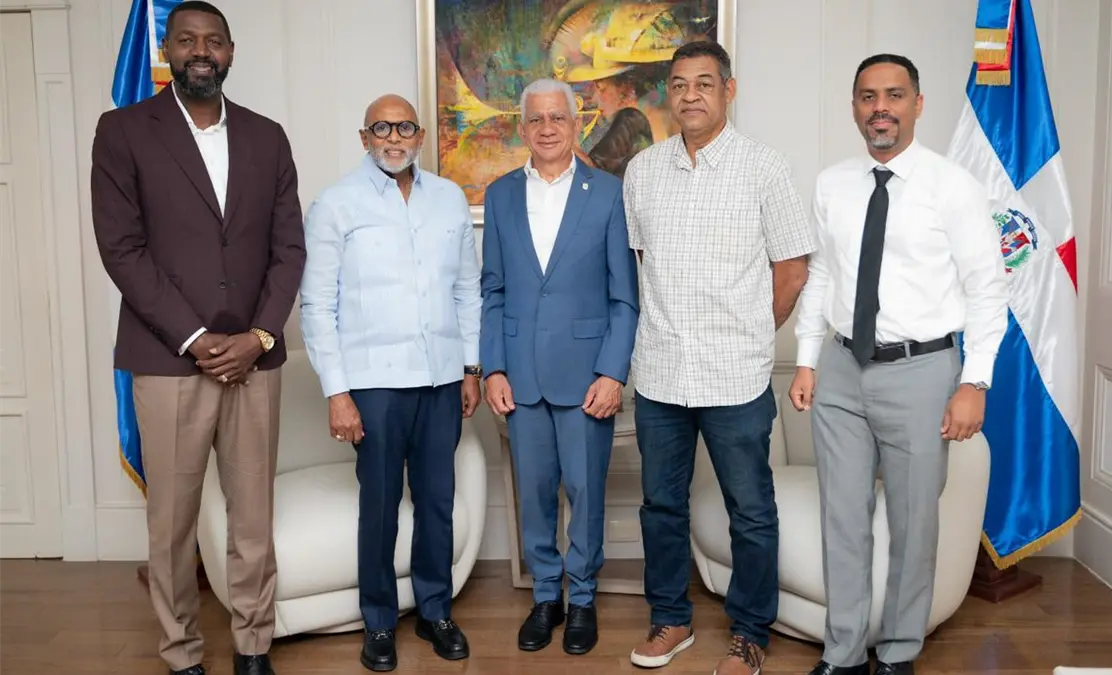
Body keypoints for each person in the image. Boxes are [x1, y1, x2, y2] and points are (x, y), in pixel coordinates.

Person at [90, 2, 305, 674]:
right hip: (167, 360)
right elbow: (121, 248)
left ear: (231, 52)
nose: (201, 51)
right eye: (186, 40)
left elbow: (289, 250)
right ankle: (182, 652)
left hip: (254, 361)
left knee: (252, 519)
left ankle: (253, 647)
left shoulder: (268, 137)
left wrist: (259, 335)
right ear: (168, 52)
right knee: (172, 524)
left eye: (213, 41)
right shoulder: (124, 130)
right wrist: (194, 336)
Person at [789, 54, 1009, 675]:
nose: (880, 107)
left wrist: (975, 381)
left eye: (893, 95)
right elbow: (823, 275)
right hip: (840, 369)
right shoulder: (832, 183)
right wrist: (806, 360)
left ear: (917, 103)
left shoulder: (953, 187)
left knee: (914, 523)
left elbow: (988, 289)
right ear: (854, 107)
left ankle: (899, 652)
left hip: (922, 373)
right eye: (868, 96)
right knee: (843, 516)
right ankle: (843, 654)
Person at [622, 40, 816, 675]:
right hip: (660, 375)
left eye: (704, 83)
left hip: (736, 377)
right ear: (668, 94)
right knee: (661, 507)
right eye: (679, 84)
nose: (691, 95)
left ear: (728, 91)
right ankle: (670, 620)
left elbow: (792, 270)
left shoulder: (765, 167)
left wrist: (752, 333)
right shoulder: (642, 171)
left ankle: (750, 633)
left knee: (750, 511)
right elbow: (645, 265)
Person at [298, 94, 481, 671]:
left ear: (420, 136)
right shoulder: (335, 205)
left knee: (437, 502)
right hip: (373, 386)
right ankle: (378, 621)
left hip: (442, 380)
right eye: (382, 128)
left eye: (404, 128)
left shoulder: (449, 199)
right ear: (365, 138)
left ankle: (434, 612)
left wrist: (471, 367)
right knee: (378, 505)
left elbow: (466, 289)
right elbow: (316, 306)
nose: (394, 138)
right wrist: (337, 392)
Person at [479, 77, 638, 655]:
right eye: (536, 119)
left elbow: (624, 297)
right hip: (520, 375)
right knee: (536, 492)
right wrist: (492, 368)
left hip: (588, 375)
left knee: (586, 492)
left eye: (558, 118)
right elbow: (493, 290)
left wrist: (612, 372)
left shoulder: (609, 193)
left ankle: (584, 599)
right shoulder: (499, 195)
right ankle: (546, 596)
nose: (547, 128)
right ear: (522, 129)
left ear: (576, 125)